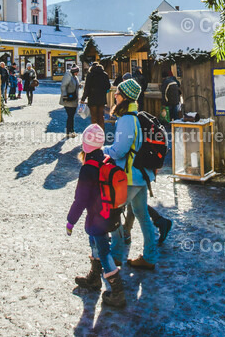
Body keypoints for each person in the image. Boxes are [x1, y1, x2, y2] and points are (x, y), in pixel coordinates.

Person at [68, 124, 126, 308]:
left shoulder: (88, 169)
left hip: (96, 218)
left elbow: (80, 200)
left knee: (103, 250)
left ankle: (117, 291)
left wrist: (71, 221)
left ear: (85, 146)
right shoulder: (107, 161)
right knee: (95, 243)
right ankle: (94, 277)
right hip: (110, 214)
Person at [105, 78, 159, 270]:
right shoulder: (133, 116)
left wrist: (103, 151)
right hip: (141, 175)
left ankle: (116, 255)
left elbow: (120, 150)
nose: (115, 95)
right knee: (142, 214)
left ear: (125, 96)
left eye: (118, 93)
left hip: (129, 176)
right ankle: (150, 256)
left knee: (113, 213)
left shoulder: (127, 119)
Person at [81, 62, 111, 129]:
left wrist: (83, 99)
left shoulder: (90, 75)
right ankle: (102, 132)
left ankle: (95, 133)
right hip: (102, 99)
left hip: (92, 99)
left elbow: (87, 88)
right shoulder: (104, 74)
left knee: (94, 117)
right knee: (101, 117)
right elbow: (108, 86)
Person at [60, 65, 81, 137]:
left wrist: (79, 85)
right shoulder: (68, 76)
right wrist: (65, 96)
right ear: (74, 71)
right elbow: (63, 86)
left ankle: (71, 131)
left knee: (72, 116)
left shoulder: (75, 77)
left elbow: (75, 85)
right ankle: (69, 131)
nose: (77, 73)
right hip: (68, 100)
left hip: (74, 100)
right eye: (76, 72)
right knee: (70, 116)